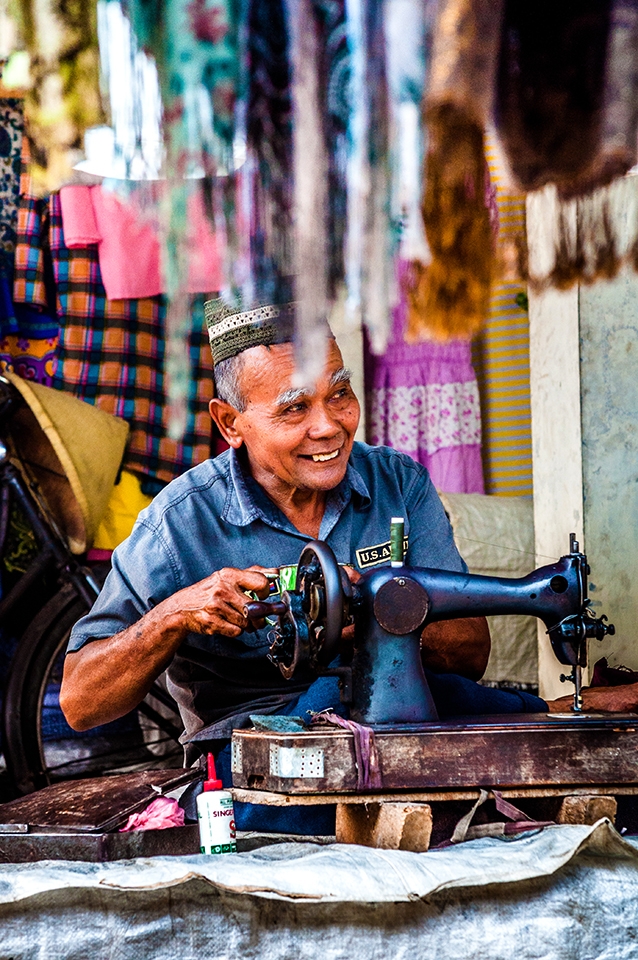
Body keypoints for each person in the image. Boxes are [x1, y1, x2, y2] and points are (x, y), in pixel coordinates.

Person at [59, 299, 637, 830]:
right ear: (230, 422)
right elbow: (81, 703)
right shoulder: (179, 524)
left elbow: (470, 655)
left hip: (399, 727)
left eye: (339, 393)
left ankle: (549, 716)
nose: (329, 425)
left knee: (571, 767)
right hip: (259, 760)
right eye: (294, 408)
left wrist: (383, 619)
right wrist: (173, 615)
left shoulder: (396, 483)